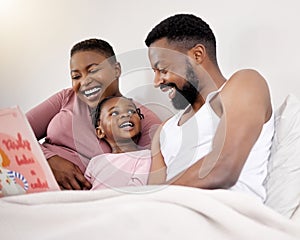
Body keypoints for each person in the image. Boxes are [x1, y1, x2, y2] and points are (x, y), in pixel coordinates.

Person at [145, 13, 274, 202]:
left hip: (223, 214)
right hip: (170, 216)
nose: (157, 82)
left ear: (197, 55)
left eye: (163, 69)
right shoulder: (164, 131)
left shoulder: (244, 83)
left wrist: (150, 199)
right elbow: (149, 201)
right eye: (154, 72)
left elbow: (224, 169)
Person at [26, 39, 161, 190]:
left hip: (72, 198)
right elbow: (13, 132)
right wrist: (49, 160)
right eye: (76, 76)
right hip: (28, 175)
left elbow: (152, 173)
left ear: (116, 70)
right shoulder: (67, 97)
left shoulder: (138, 120)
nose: (84, 82)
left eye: (93, 71)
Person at [84, 96, 151, 190]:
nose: (125, 115)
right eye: (114, 113)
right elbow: (85, 191)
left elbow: (137, 189)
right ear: (100, 132)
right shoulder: (95, 162)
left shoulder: (146, 156)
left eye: (131, 111)